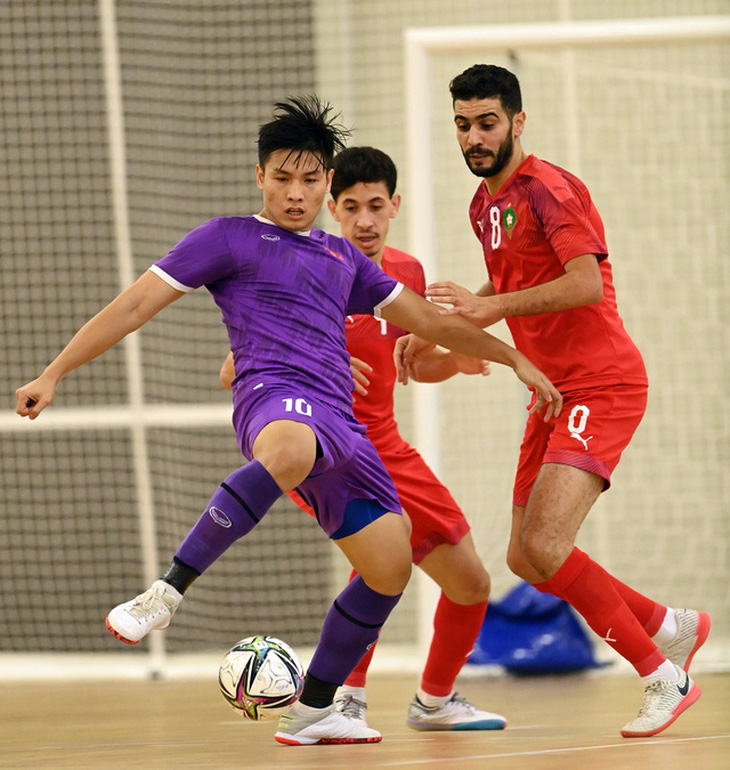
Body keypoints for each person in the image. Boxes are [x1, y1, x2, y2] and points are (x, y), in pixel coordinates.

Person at [15, 95, 561, 746]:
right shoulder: (227, 238)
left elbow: (434, 323)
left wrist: (512, 356)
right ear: (259, 177)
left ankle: (317, 708)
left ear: (326, 181)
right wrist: (54, 372)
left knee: (388, 568)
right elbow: (134, 305)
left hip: (345, 428)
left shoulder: (344, 260)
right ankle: (166, 591)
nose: (295, 193)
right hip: (273, 396)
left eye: (309, 179)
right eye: (282, 177)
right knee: (291, 450)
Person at [395, 64, 710, 739]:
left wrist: (488, 309)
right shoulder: (484, 205)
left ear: (517, 121)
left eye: (486, 122)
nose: (474, 137)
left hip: (601, 381)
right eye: (462, 125)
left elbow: (584, 284)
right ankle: (667, 626)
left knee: (545, 541)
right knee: (524, 557)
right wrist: (428, 332)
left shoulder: (550, 189)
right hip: (551, 391)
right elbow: (504, 286)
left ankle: (662, 675)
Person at [221, 146, 505, 732]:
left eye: (376, 206)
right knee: (381, 558)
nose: (365, 221)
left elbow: (410, 365)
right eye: (351, 208)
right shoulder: (307, 269)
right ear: (332, 208)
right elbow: (233, 370)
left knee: (469, 581)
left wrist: (454, 362)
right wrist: (313, 361)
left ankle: (433, 701)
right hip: (330, 445)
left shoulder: (407, 274)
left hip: (388, 446)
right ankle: (339, 695)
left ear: (395, 205)